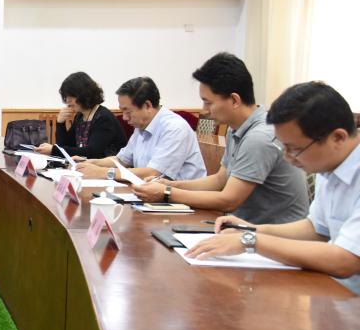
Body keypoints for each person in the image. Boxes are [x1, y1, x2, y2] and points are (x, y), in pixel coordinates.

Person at [186, 82, 360, 293]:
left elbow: (346, 260)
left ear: (338, 138)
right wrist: (251, 229)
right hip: (332, 289)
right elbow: (316, 229)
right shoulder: (330, 164)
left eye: (294, 149)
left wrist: (251, 241)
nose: (287, 158)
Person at [132, 53, 309, 223]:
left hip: (270, 235)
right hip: (243, 228)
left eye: (208, 102)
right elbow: (220, 180)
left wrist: (166, 192)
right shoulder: (236, 129)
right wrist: (171, 185)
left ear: (234, 100)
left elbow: (229, 200)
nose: (204, 110)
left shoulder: (259, 137)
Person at [77, 76, 206, 181]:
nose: (125, 118)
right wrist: (88, 163)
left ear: (147, 105)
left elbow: (153, 173)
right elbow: (121, 160)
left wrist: (102, 172)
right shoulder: (141, 126)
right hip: (152, 194)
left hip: (183, 201)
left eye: (127, 111)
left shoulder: (174, 128)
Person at [35, 72, 125, 159]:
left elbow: (93, 153)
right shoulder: (80, 116)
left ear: (84, 94)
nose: (67, 101)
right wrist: (60, 123)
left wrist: (54, 150)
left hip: (109, 167)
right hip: (87, 166)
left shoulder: (104, 118)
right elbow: (66, 145)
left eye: (71, 96)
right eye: (66, 97)